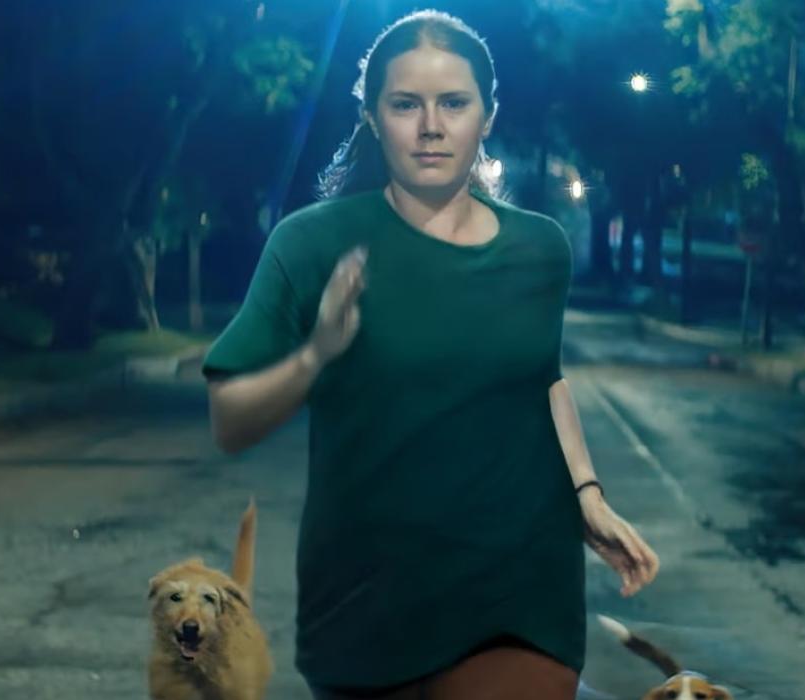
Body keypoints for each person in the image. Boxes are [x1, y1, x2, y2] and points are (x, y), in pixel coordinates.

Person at [202, 10, 659, 699]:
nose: (431, 126)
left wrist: (586, 494)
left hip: (519, 594)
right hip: (363, 605)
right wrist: (315, 356)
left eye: (454, 103)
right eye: (405, 104)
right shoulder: (310, 244)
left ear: (487, 115)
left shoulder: (540, 249)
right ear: (372, 116)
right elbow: (229, 420)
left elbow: (541, 378)